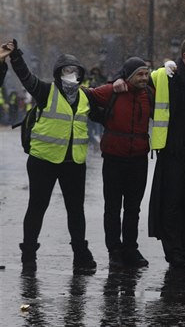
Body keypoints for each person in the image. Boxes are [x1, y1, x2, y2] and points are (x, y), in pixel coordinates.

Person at [1, 39, 97, 272]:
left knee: (76, 211)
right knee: (37, 207)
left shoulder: (86, 97)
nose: (70, 74)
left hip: (74, 161)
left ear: (80, 74)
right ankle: (29, 256)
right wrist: (16, 56)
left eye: (74, 71)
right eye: (66, 70)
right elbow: (26, 76)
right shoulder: (45, 91)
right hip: (43, 160)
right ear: (57, 73)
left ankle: (80, 256)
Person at [127, 37, 185, 268]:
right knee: (171, 201)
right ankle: (174, 251)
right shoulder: (169, 75)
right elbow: (142, 79)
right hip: (173, 150)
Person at [87, 57, 154, 268]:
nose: (144, 78)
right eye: (139, 74)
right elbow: (85, 95)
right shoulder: (112, 92)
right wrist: (114, 81)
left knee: (133, 208)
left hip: (139, 159)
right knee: (113, 207)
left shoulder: (149, 94)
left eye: (146, 74)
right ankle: (114, 251)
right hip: (114, 158)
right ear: (128, 76)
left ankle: (130, 249)